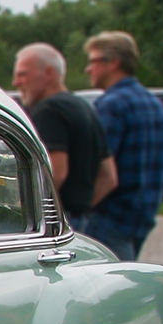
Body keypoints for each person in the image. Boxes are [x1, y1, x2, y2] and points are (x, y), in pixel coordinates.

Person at [80, 31, 163, 260]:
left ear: (114, 63)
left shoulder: (112, 105)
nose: (87, 69)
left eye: (93, 61)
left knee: (107, 288)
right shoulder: (154, 103)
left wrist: (80, 210)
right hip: (142, 216)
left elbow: (97, 168)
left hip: (109, 218)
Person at [12, 42, 115, 230]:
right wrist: (81, 209)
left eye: (22, 74)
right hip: (79, 220)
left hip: (54, 224)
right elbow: (109, 177)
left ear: (49, 73)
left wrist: (21, 211)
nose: (16, 82)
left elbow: (56, 173)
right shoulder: (85, 107)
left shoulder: (49, 110)